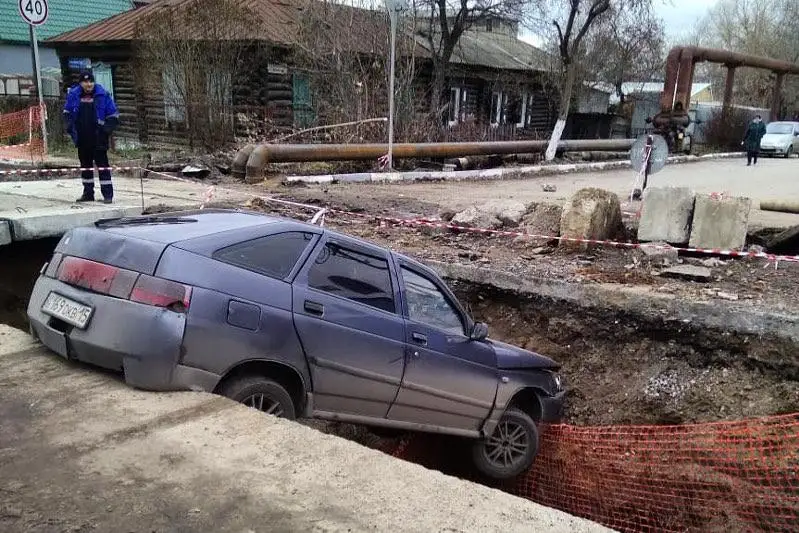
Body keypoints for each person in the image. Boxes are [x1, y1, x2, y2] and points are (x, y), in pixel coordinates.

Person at [63, 71, 120, 203]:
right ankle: (88, 193)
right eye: (85, 82)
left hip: (99, 138)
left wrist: (105, 131)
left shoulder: (102, 95)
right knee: (86, 167)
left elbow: (113, 116)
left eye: (91, 81)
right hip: (82, 138)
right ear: (81, 83)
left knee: (103, 167)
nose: (89, 84)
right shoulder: (74, 95)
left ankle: (107, 195)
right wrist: (70, 129)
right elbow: (67, 113)